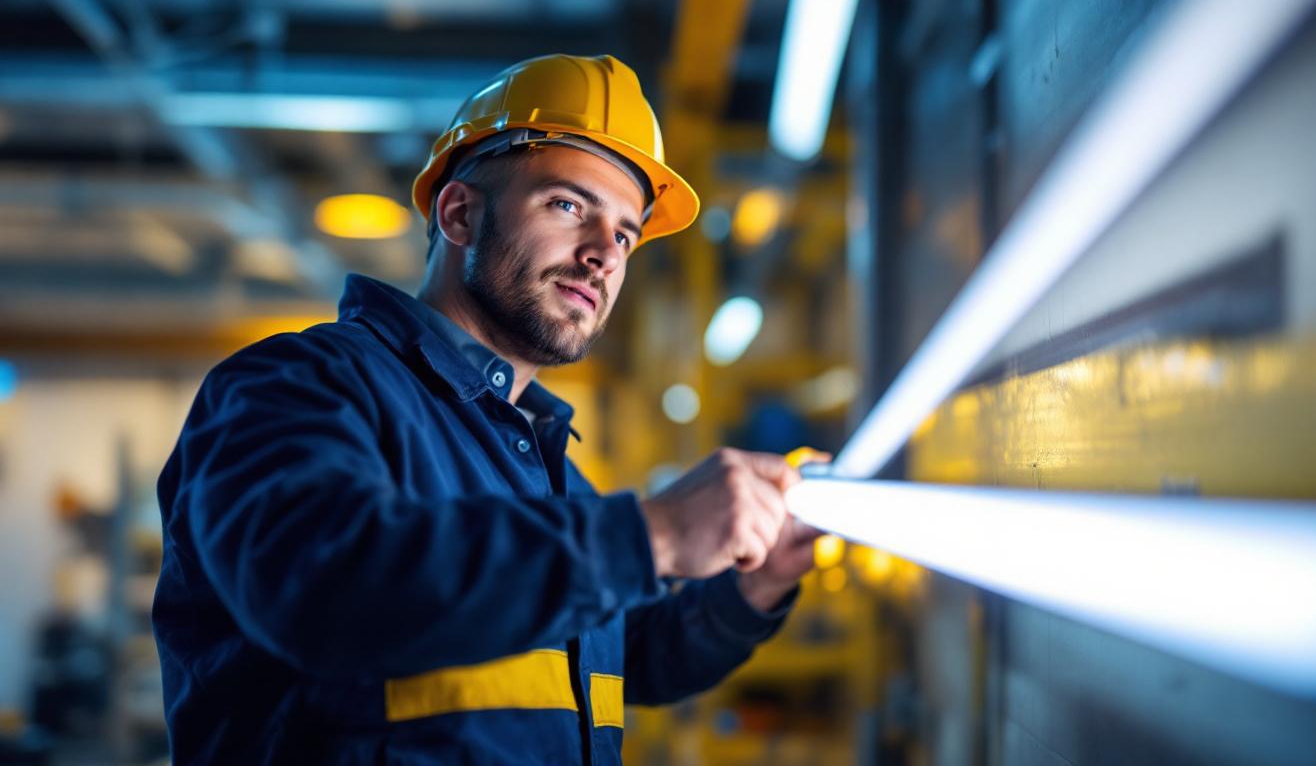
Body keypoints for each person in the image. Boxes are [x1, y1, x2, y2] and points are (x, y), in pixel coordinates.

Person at [152, 54, 822, 764]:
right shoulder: (298, 386)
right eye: (568, 205)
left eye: (625, 234)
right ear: (461, 213)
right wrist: (652, 536)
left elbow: (628, 655)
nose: (604, 254)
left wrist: (760, 579)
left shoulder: (533, 455)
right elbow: (323, 589)